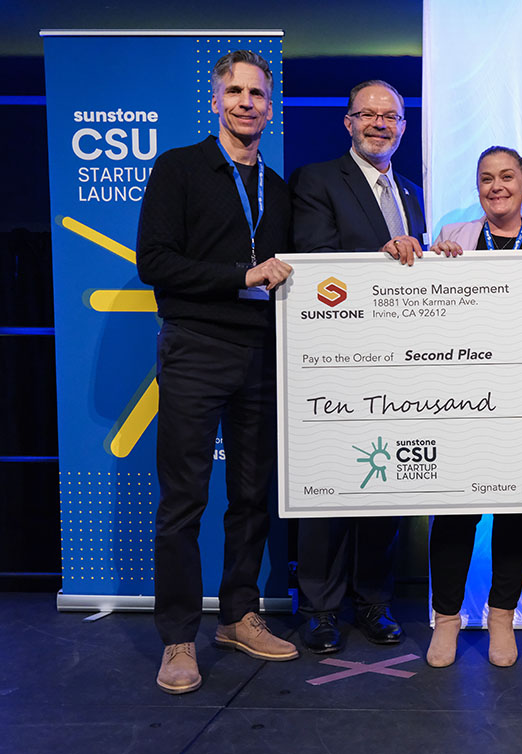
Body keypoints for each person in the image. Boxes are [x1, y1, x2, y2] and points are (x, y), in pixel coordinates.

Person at [136, 50, 297, 695]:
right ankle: (178, 637)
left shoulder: (278, 187)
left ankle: (238, 613)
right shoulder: (179, 168)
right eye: (234, 91)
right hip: (196, 348)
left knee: (252, 494)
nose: (245, 102)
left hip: (261, 352)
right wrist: (242, 276)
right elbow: (155, 263)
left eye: (257, 93)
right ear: (215, 101)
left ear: (269, 104)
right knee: (184, 500)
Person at [290, 80, 426, 654]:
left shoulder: (413, 192)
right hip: (334, 360)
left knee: (383, 487)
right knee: (330, 489)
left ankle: (373, 600)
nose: (379, 124)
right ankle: (321, 608)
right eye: (367, 115)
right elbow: (313, 260)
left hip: (396, 364)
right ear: (347, 123)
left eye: (390, 116)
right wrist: (380, 258)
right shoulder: (318, 180)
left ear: (403, 125)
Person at [425, 145, 522, 668]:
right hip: (462, 396)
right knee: (455, 512)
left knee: (516, 509)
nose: (497, 186)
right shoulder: (451, 242)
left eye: (507, 176)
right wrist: (427, 268)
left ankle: (502, 617)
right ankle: (446, 620)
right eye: (487, 178)